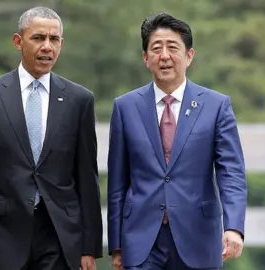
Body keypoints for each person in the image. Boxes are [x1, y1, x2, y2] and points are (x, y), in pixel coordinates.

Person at [0, 6, 103, 270]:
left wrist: (89, 246)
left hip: (59, 236)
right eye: (38, 38)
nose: (47, 47)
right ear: (18, 41)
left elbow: (86, 177)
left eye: (54, 39)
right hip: (3, 235)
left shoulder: (79, 100)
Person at [107, 12, 247, 270]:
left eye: (173, 48)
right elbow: (118, 181)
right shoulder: (125, 107)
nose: (165, 56)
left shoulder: (216, 106)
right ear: (145, 58)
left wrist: (234, 227)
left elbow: (232, 173)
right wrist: (116, 244)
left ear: (189, 56)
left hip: (199, 236)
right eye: (156, 48)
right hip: (141, 240)